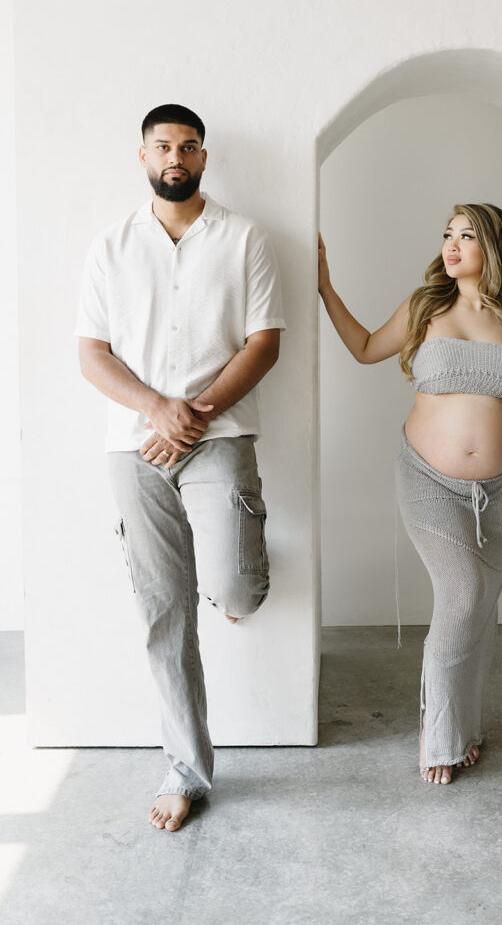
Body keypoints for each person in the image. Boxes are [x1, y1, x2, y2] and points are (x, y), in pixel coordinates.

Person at [318, 203, 502, 785]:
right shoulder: (426, 305)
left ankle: (468, 727)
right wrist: (326, 287)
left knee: (480, 606)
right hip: (429, 480)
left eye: (467, 235)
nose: (452, 245)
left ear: (494, 248)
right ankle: (440, 738)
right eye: (447, 235)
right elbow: (364, 347)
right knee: (462, 597)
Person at [76, 104, 286, 829]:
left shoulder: (245, 238)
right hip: (133, 449)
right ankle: (187, 770)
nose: (176, 157)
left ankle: (246, 568)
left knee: (231, 585)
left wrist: (188, 413)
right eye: (163, 146)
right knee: (164, 610)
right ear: (142, 157)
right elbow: (92, 354)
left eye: (188, 147)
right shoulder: (110, 245)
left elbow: (263, 342)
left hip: (220, 434)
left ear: (204, 158)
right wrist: (155, 411)